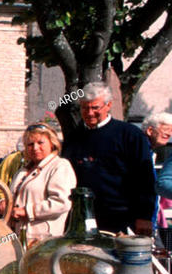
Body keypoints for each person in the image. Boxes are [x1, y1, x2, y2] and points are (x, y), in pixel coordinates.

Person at [61, 82, 155, 235]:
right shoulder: (74, 138)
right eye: (85, 108)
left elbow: (145, 177)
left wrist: (144, 216)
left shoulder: (129, 135)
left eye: (95, 107)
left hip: (122, 218)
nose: (90, 113)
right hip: (82, 218)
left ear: (108, 105)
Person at [0, 124, 76, 244]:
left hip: (43, 240)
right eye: (30, 144)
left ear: (52, 143)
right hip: (18, 237)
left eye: (40, 143)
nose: (35, 148)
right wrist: (6, 204)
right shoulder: (23, 171)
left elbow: (62, 202)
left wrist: (28, 211)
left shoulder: (60, 166)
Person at [143, 113, 172, 231]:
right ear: (150, 130)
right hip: (140, 218)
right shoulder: (141, 149)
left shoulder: (150, 151)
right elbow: (162, 184)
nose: (169, 134)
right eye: (166, 129)